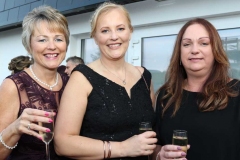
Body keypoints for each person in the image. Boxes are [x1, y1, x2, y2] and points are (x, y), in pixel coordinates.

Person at [54, 2, 157, 160]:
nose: (114, 36)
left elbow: (149, 138)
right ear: (95, 37)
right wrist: (122, 148)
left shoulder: (144, 77)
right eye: (105, 31)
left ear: (130, 31)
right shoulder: (81, 77)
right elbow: (63, 143)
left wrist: (159, 153)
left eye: (120, 28)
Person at [154, 18, 240, 160]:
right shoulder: (167, 95)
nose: (194, 50)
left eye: (203, 43)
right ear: (179, 52)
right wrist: (159, 155)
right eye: (187, 44)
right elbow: (155, 145)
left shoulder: (236, 93)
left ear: (215, 50)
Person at [0, 5, 69, 160]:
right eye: (42, 39)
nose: (52, 46)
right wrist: (14, 129)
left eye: (58, 39)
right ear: (29, 45)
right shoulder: (14, 86)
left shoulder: (71, 83)